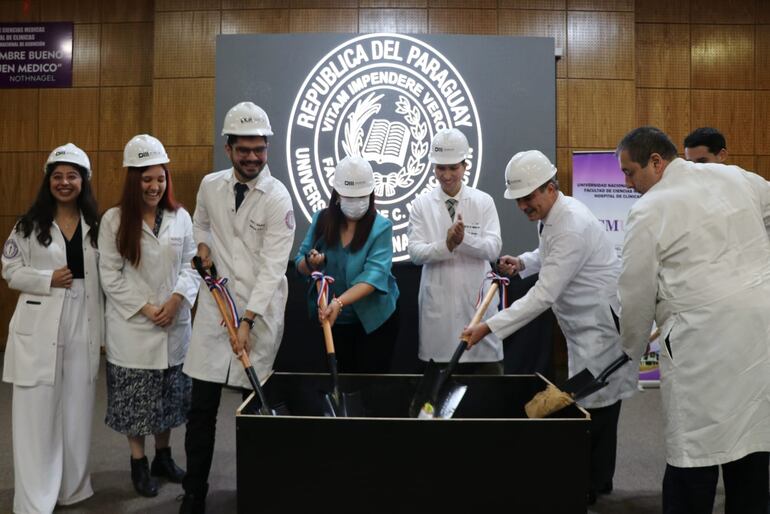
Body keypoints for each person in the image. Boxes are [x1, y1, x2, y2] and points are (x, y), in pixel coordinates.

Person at [462, 150, 638, 504]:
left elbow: (543, 295)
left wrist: (489, 327)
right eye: (519, 200)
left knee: (598, 405)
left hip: (598, 326)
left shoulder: (571, 222)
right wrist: (523, 262)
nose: (524, 206)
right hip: (582, 324)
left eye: (528, 198)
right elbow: (548, 253)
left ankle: (593, 485)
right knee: (592, 400)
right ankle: (596, 479)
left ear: (549, 188)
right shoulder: (555, 214)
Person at [616, 126, 770, 514]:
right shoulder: (736, 177)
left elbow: (635, 294)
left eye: (630, 172)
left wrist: (629, 353)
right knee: (751, 450)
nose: (627, 182)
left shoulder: (648, 209)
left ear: (657, 162)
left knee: (693, 456)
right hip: (758, 333)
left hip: (701, 344)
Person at [179, 102, 295, 513]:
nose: (252, 157)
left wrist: (247, 320)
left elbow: (272, 268)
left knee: (253, 412)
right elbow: (200, 223)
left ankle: (257, 491)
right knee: (201, 409)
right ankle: (194, 492)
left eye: (258, 149)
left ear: (267, 149)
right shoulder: (210, 185)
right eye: (243, 149)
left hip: (259, 315)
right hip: (215, 311)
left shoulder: (278, 197)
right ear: (228, 149)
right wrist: (204, 247)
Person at [2, 144, 103, 514]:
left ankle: (72, 488)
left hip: (83, 319)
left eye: (72, 175)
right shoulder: (28, 225)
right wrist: (46, 278)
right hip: (40, 317)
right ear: (48, 181)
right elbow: (10, 270)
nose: (64, 182)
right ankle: (33, 500)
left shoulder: (98, 225)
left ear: (84, 181)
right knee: (36, 411)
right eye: (57, 176)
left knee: (77, 408)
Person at [98, 135, 199, 497]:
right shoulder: (113, 220)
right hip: (134, 327)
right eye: (146, 179)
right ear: (132, 180)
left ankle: (163, 457)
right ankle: (138, 462)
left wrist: (176, 300)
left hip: (173, 322)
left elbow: (193, 265)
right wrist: (147, 307)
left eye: (160, 178)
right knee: (136, 401)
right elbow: (110, 276)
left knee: (169, 398)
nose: (155, 186)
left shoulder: (180, 216)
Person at [407, 128, 503, 374]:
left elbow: (493, 249)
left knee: (486, 393)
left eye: (453, 168)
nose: (447, 175)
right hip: (438, 318)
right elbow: (416, 253)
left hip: (477, 308)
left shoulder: (483, 201)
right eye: (441, 168)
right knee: (438, 396)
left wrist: (463, 240)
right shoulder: (420, 205)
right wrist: (447, 245)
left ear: (465, 165)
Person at [295, 156, 399, 373]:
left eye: (362, 196)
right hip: (332, 322)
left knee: (371, 387)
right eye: (349, 196)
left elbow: (374, 276)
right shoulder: (321, 220)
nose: (356, 202)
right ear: (337, 195)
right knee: (338, 386)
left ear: (371, 195)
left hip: (373, 321)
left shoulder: (381, 227)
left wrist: (339, 303)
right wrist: (309, 262)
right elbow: (299, 264)